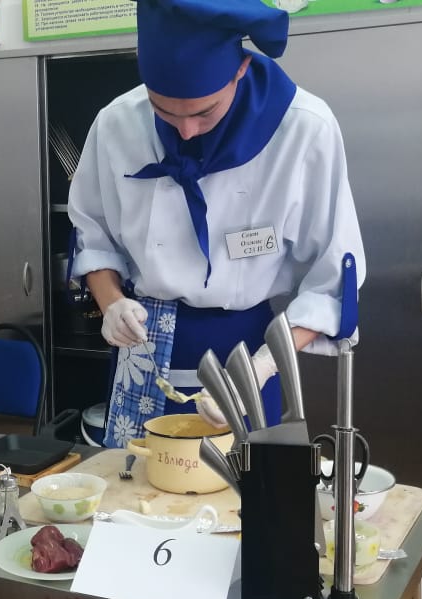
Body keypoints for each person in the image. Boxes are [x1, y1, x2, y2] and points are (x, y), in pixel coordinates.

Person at [66, 0, 366, 448]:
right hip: (141, 346)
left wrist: (260, 368)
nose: (186, 131)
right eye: (164, 112)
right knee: (133, 483)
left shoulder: (304, 129)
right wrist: (112, 304)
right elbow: (94, 238)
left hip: (249, 350)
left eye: (204, 112)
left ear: (241, 69)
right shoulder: (115, 125)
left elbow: (332, 285)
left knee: (247, 484)